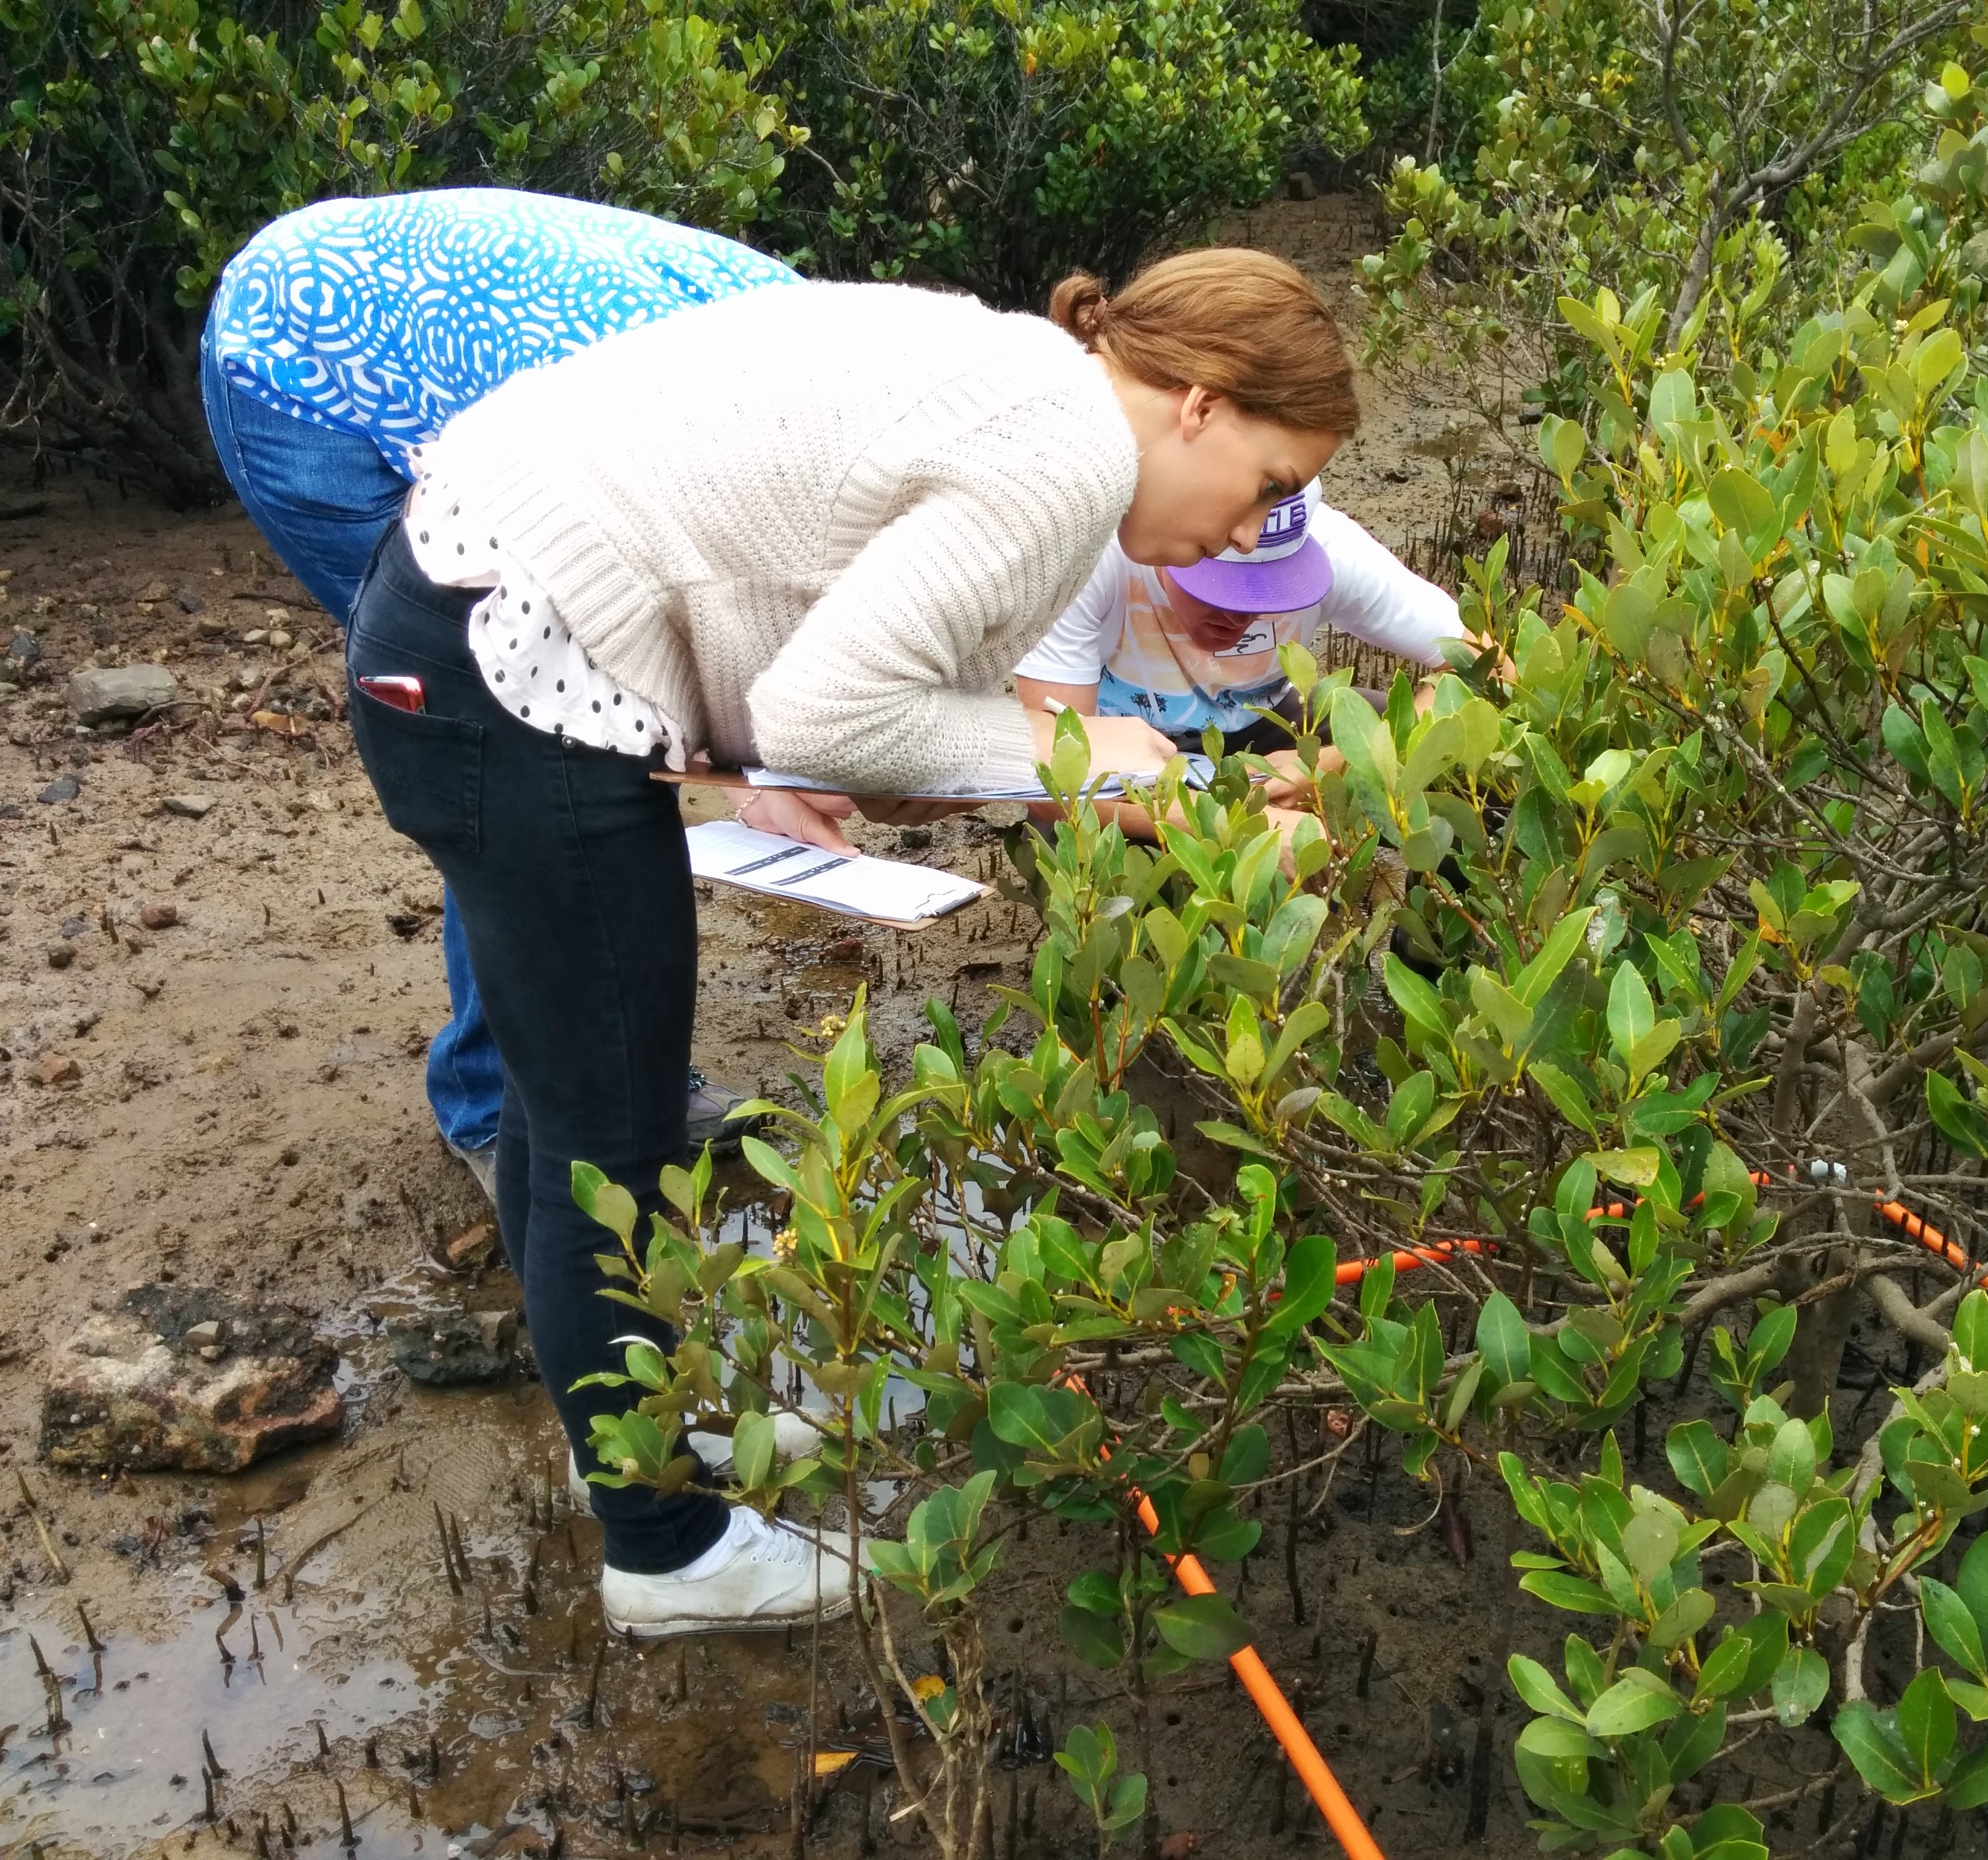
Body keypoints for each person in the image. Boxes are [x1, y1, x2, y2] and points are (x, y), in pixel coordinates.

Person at [341, 243, 1354, 1635]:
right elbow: (830, 718)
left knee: (553, 1090)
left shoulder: (1025, 379)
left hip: (454, 625)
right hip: (515, 669)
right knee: (606, 1124)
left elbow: (835, 709)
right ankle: (664, 1550)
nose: (1255, 533)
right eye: (1269, 485)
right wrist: (1111, 759)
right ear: (1197, 405)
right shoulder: (1064, 454)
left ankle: (629, 1443)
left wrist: (1057, 759)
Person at [200, 189, 794, 1198]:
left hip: (445, 363)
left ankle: (600, 1078)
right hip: (300, 368)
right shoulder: (664, 420)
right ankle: (496, 1103)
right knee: (508, 741)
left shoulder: (809, 364)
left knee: (584, 743)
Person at [1013, 476, 1469, 834]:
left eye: (1268, 590)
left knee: (1455, 760)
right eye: (1216, 588)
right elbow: (1049, 784)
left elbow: (1490, 669)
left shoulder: (1332, 547)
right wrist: (1226, 826)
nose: (1239, 616)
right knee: (1083, 842)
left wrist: (1341, 761)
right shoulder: (1090, 556)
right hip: (1121, 751)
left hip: (1263, 721)